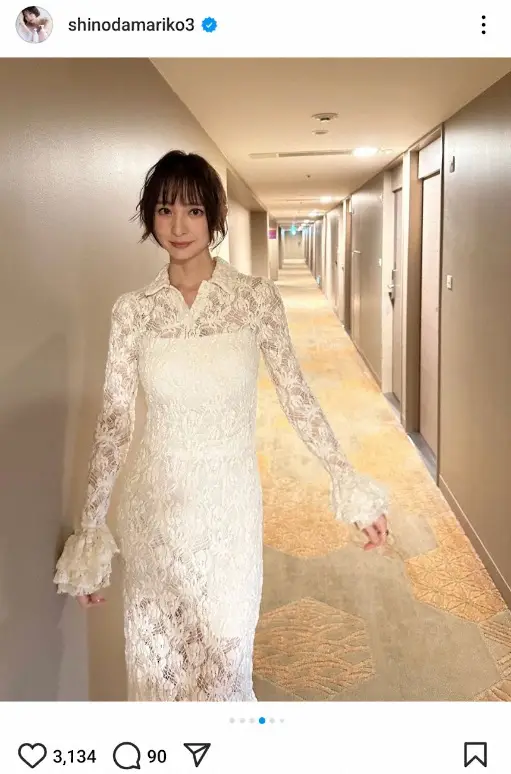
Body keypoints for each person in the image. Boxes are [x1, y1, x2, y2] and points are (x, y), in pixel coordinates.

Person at [54, 150, 389, 701]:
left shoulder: (255, 300)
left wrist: (349, 484)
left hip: (229, 511)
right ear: (150, 218)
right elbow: (114, 423)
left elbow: (297, 396)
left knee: (224, 667)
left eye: (193, 210)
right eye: (165, 210)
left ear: (214, 215)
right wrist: (91, 535)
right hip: (155, 512)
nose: (178, 226)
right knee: (160, 674)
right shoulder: (133, 311)